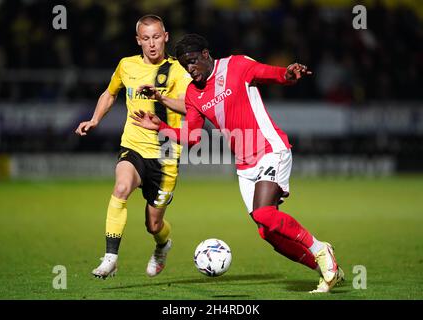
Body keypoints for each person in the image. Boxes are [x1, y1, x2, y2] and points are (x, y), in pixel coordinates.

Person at [130, 34, 345, 293]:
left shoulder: (237, 65)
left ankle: (320, 249)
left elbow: (272, 74)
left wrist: (289, 73)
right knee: (269, 233)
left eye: (194, 61)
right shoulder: (192, 93)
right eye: (185, 65)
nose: (190, 69)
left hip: (270, 148)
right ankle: (326, 269)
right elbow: (193, 138)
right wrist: (161, 127)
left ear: (206, 55)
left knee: (264, 213)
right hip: (244, 166)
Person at [75, 15, 191, 279]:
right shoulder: (126, 65)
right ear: (138, 40)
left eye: (157, 37)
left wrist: (161, 97)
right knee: (121, 187)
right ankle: (111, 258)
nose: (152, 44)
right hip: (133, 146)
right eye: (146, 38)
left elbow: (189, 107)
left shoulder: (176, 71)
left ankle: (163, 245)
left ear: (166, 37)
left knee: (154, 224)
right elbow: (110, 92)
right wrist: (94, 120)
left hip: (165, 156)